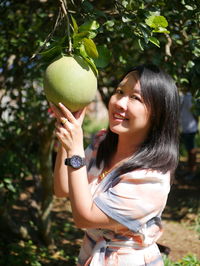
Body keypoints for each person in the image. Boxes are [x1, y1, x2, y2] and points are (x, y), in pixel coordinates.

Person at [51, 64, 179, 266]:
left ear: (157, 114)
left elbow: (84, 218)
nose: (120, 102)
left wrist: (75, 147)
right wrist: (66, 137)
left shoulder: (151, 179)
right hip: (90, 254)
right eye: (119, 92)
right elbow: (62, 188)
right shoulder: (102, 144)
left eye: (135, 97)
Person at [179, 89, 198, 180]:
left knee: (192, 151)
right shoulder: (183, 97)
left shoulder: (189, 98)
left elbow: (194, 112)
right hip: (185, 127)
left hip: (190, 128)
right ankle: (189, 170)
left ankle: (192, 172)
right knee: (189, 150)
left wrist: (196, 123)